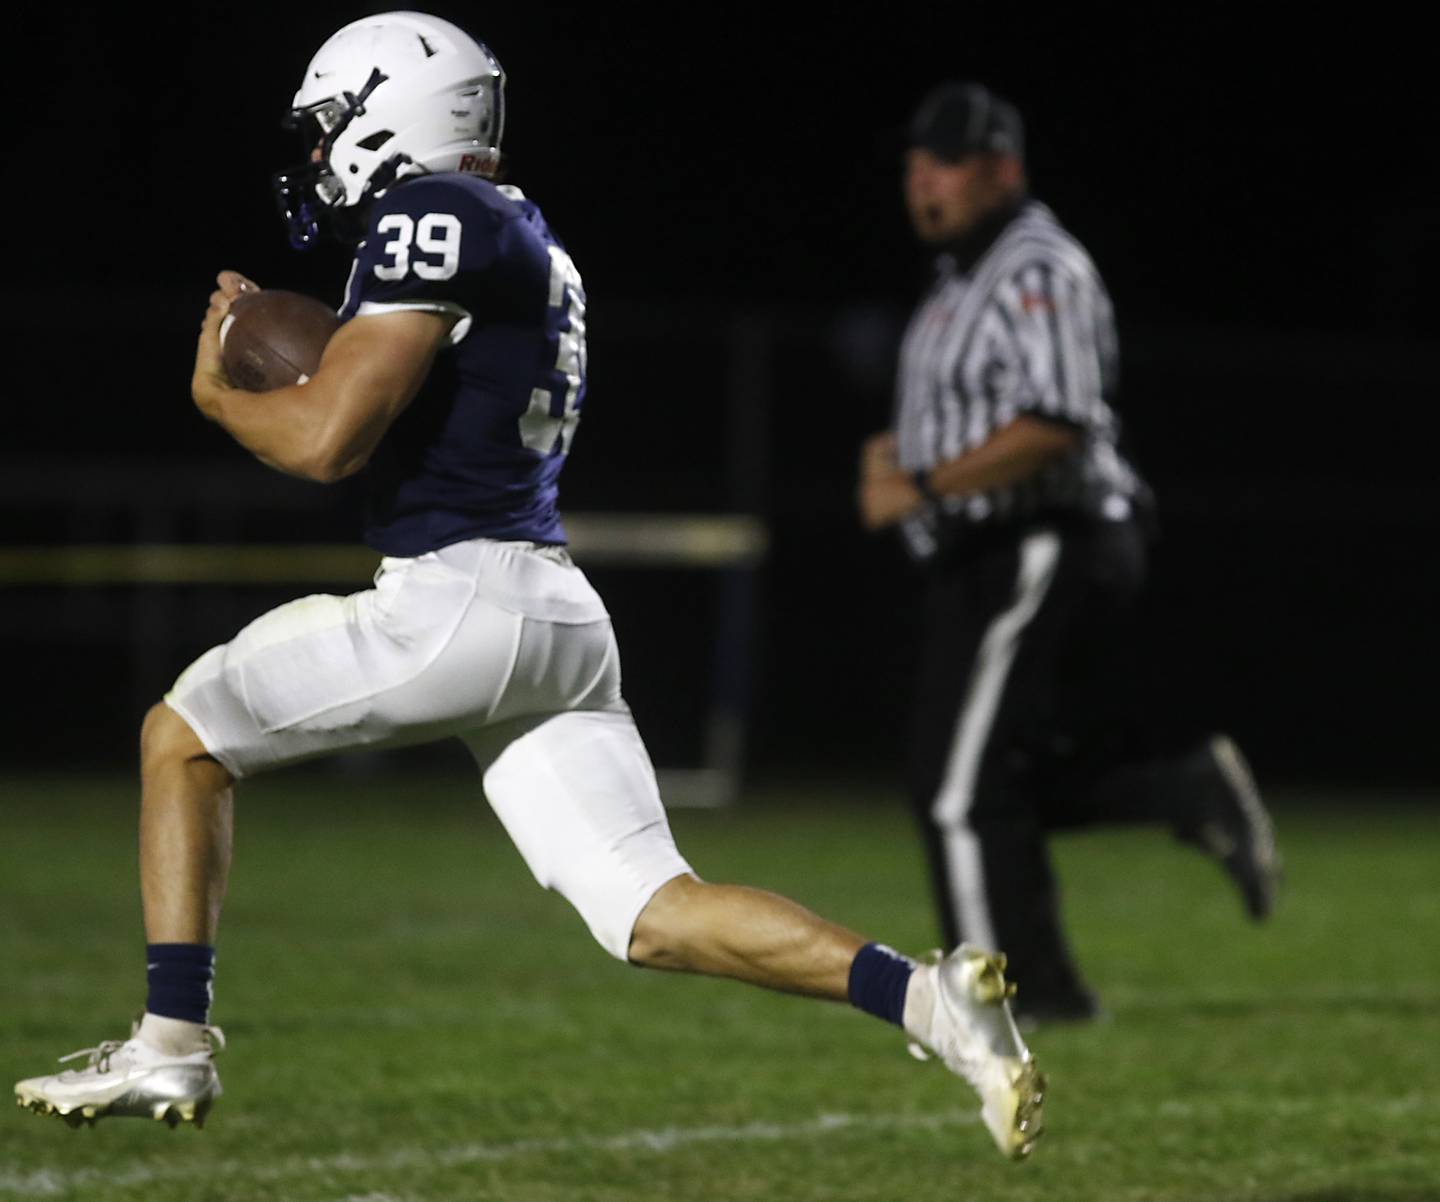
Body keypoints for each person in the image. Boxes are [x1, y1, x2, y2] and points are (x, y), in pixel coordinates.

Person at [13, 16, 1045, 1161]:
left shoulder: (432, 214)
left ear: (387, 117)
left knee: (181, 734)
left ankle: (170, 1038)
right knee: (652, 910)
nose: (317, 156)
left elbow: (327, 438)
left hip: (455, 599)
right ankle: (932, 1000)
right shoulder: (527, 234)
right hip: (552, 613)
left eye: (328, 128)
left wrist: (219, 390)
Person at [856, 81, 1281, 1028]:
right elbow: (956, 417)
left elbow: (1055, 422)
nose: (925, 182)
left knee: (957, 787)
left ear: (1002, 170)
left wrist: (922, 487)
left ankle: (1001, 1005)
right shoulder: (956, 280)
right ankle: (1181, 794)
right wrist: (895, 460)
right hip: (989, 547)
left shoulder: (1035, 265)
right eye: (915, 165)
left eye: (948, 163)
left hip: (1050, 536)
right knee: (983, 781)